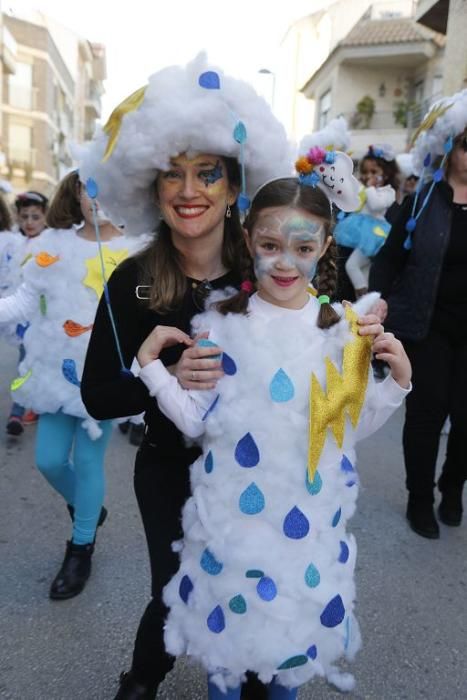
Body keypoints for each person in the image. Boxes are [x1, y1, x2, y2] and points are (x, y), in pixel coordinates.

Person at [133, 154, 411, 697]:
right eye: (270, 246)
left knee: (287, 666)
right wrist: (151, 369)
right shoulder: (222, 323)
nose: (286, 263)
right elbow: (195, 419)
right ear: (248, 238)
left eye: (303, 248)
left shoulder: (343, 330)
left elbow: (345, 431)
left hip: (304, 536)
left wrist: (395, 385)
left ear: (326, 246)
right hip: (230, 534)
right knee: (226, 669)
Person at [78, 54, 292, 700]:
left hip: (263, 470)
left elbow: (320, 355)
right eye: (171, 174)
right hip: (171, 468)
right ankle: (143, 679)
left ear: (233, 185)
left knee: (257, 592)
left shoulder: (271, 272)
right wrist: (155, 366)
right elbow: (97, 395)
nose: (188, 189)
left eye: (206, 173)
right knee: (178, 591)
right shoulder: (131, 280)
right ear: (151, 186)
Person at [0, 171, 142, 598]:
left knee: (87, 463)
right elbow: (25, 301)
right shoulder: (52, 243)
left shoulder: (139, 251)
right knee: (47, 460)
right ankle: (88, 509)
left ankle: (80, 548)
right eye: (87, 187)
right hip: (54, 379)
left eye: (107, 185)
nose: (96, 196)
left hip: (104, 381)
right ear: (75, 193)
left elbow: (152, 315)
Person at [369, 89, 467, 539]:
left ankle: (452, 487)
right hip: (426, 327)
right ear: (448, 147)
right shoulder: (423, 201)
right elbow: (389, 257)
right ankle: (419, 499)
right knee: (427, 416)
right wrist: (377, 298)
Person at [5, 191, 49, 435]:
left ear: (45, 217)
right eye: (25, 217)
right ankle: (17, 413)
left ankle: (37, 406)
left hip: (48, 319)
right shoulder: (15, 243)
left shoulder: (54, 243)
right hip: (25, 318)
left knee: (43, 364)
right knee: (25, 364)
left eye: (35, 216)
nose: (30, 222)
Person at [334, 144, 398, 298]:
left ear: (386, 174)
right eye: (365, 172)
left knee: (352, 265)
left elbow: (376, 205)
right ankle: (366, 301)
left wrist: (369, 188)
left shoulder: (388, 192)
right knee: (364, 270)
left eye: (374, 172)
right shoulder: (363, 189)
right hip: (362, 229)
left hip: (374, 233)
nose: (368, 175)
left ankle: (363, 296)